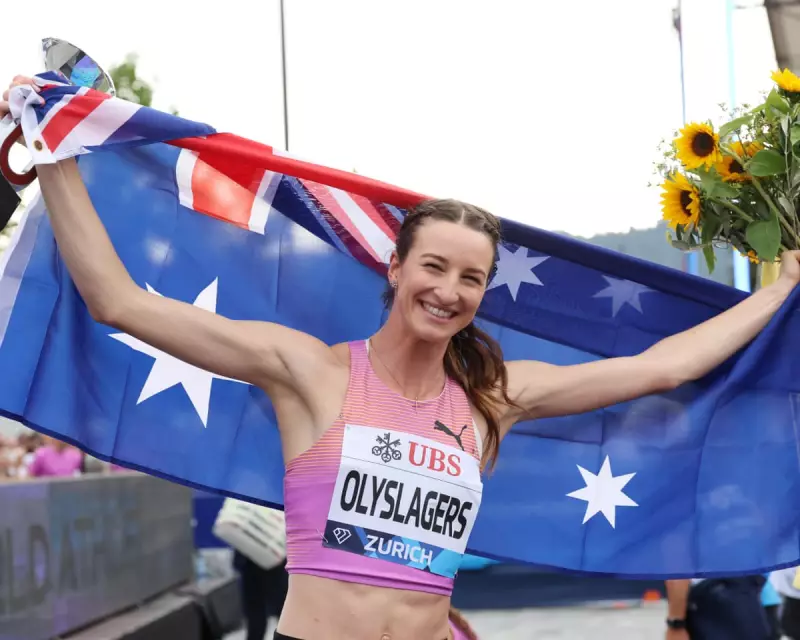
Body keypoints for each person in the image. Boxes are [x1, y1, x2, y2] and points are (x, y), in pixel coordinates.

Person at [4, 76, 800, 640]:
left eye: (472, 277)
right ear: (394, 268)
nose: (449, 290)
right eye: (434, 266)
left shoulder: (496, 398)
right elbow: (120, 301)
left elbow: (661, 368)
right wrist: (53, 155)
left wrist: (780, 291)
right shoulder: (308, 370)